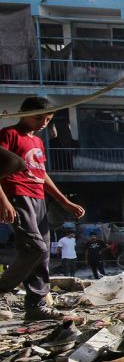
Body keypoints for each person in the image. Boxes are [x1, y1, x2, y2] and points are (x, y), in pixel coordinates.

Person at [0, 96, 86, 322]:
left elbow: (41, 174)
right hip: (17, 194)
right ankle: (1, 291)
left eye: (47, 120)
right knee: (34, 248)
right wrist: (4, 201)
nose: (42, 123)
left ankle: (36, 305)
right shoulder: (9, 135)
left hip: (38, 198)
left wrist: (63, 201)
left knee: (44, 253)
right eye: (38, 117)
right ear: (23, 113)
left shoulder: (37, 142)